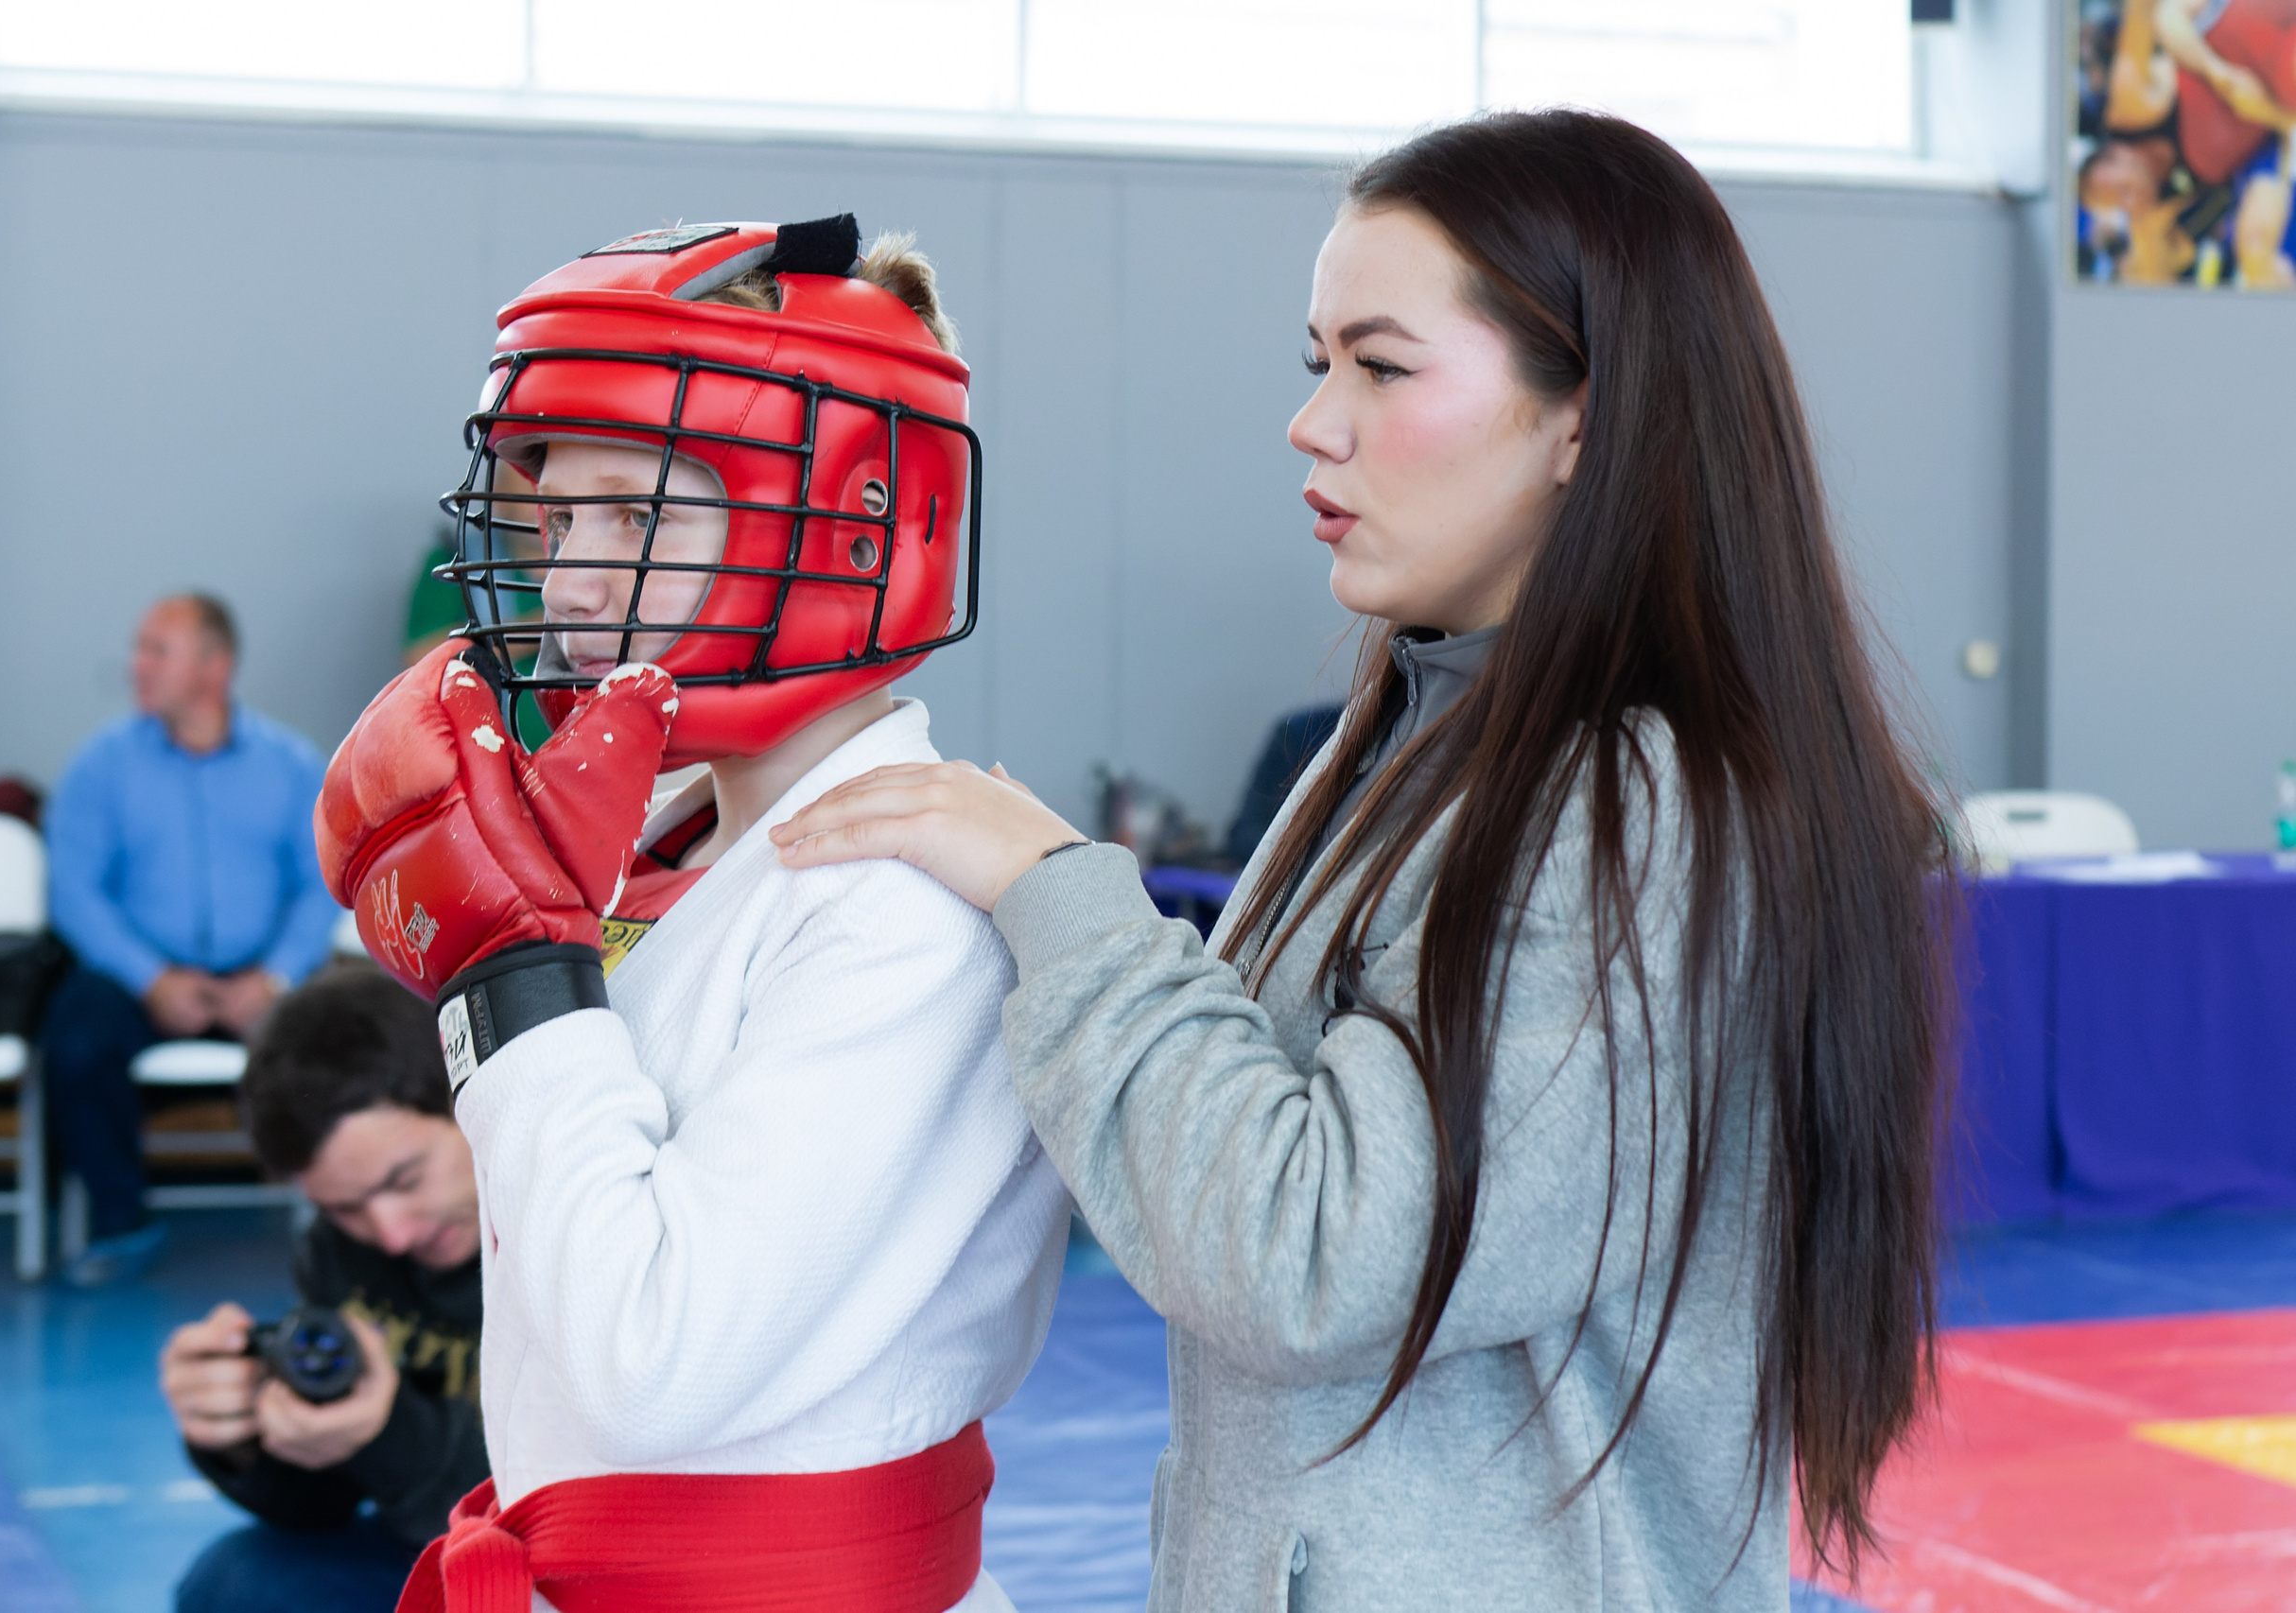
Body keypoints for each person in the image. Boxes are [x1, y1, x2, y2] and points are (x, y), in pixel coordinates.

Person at [775, 113, 1953, 1609]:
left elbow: (1315, 1254)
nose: (1313, 420)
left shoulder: (1636, 802)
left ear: (1584, 421)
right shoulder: (1410, 724)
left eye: (1381, 367)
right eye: (1316, 360)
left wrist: (1058, 896)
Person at [315, 215, 1070, 1610]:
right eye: (559, 513)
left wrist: (513, 982)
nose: (574, 575)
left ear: (852, 530)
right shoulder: (665, 852)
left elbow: (650, 1360)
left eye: (639, 512)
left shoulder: (902, 908)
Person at [160, 964, 485, 1613]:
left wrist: (385, 1430)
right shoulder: (339, 1252)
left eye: (405, 1180)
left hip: (581, 1559)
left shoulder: (578, 1222)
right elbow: (324, 1506)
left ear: (469, 1099)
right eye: (344, 1207)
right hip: (437, 1540)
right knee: (235, 1584)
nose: (389, 1234)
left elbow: (570, 1501)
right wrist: (246, 1432)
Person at [42, 594, 339, 1285]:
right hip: (140, 980)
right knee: (76, 1041)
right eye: (138, 648)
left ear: (216, 665)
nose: (135, 666)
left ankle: (339, 1217)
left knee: (347, 1034)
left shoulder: (293, 766)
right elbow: (73, 891)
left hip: (263, 978)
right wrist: (150, 979)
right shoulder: (102, 765)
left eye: (156, 650)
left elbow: (324, 881)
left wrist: (274, 979)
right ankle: (120, 1223)